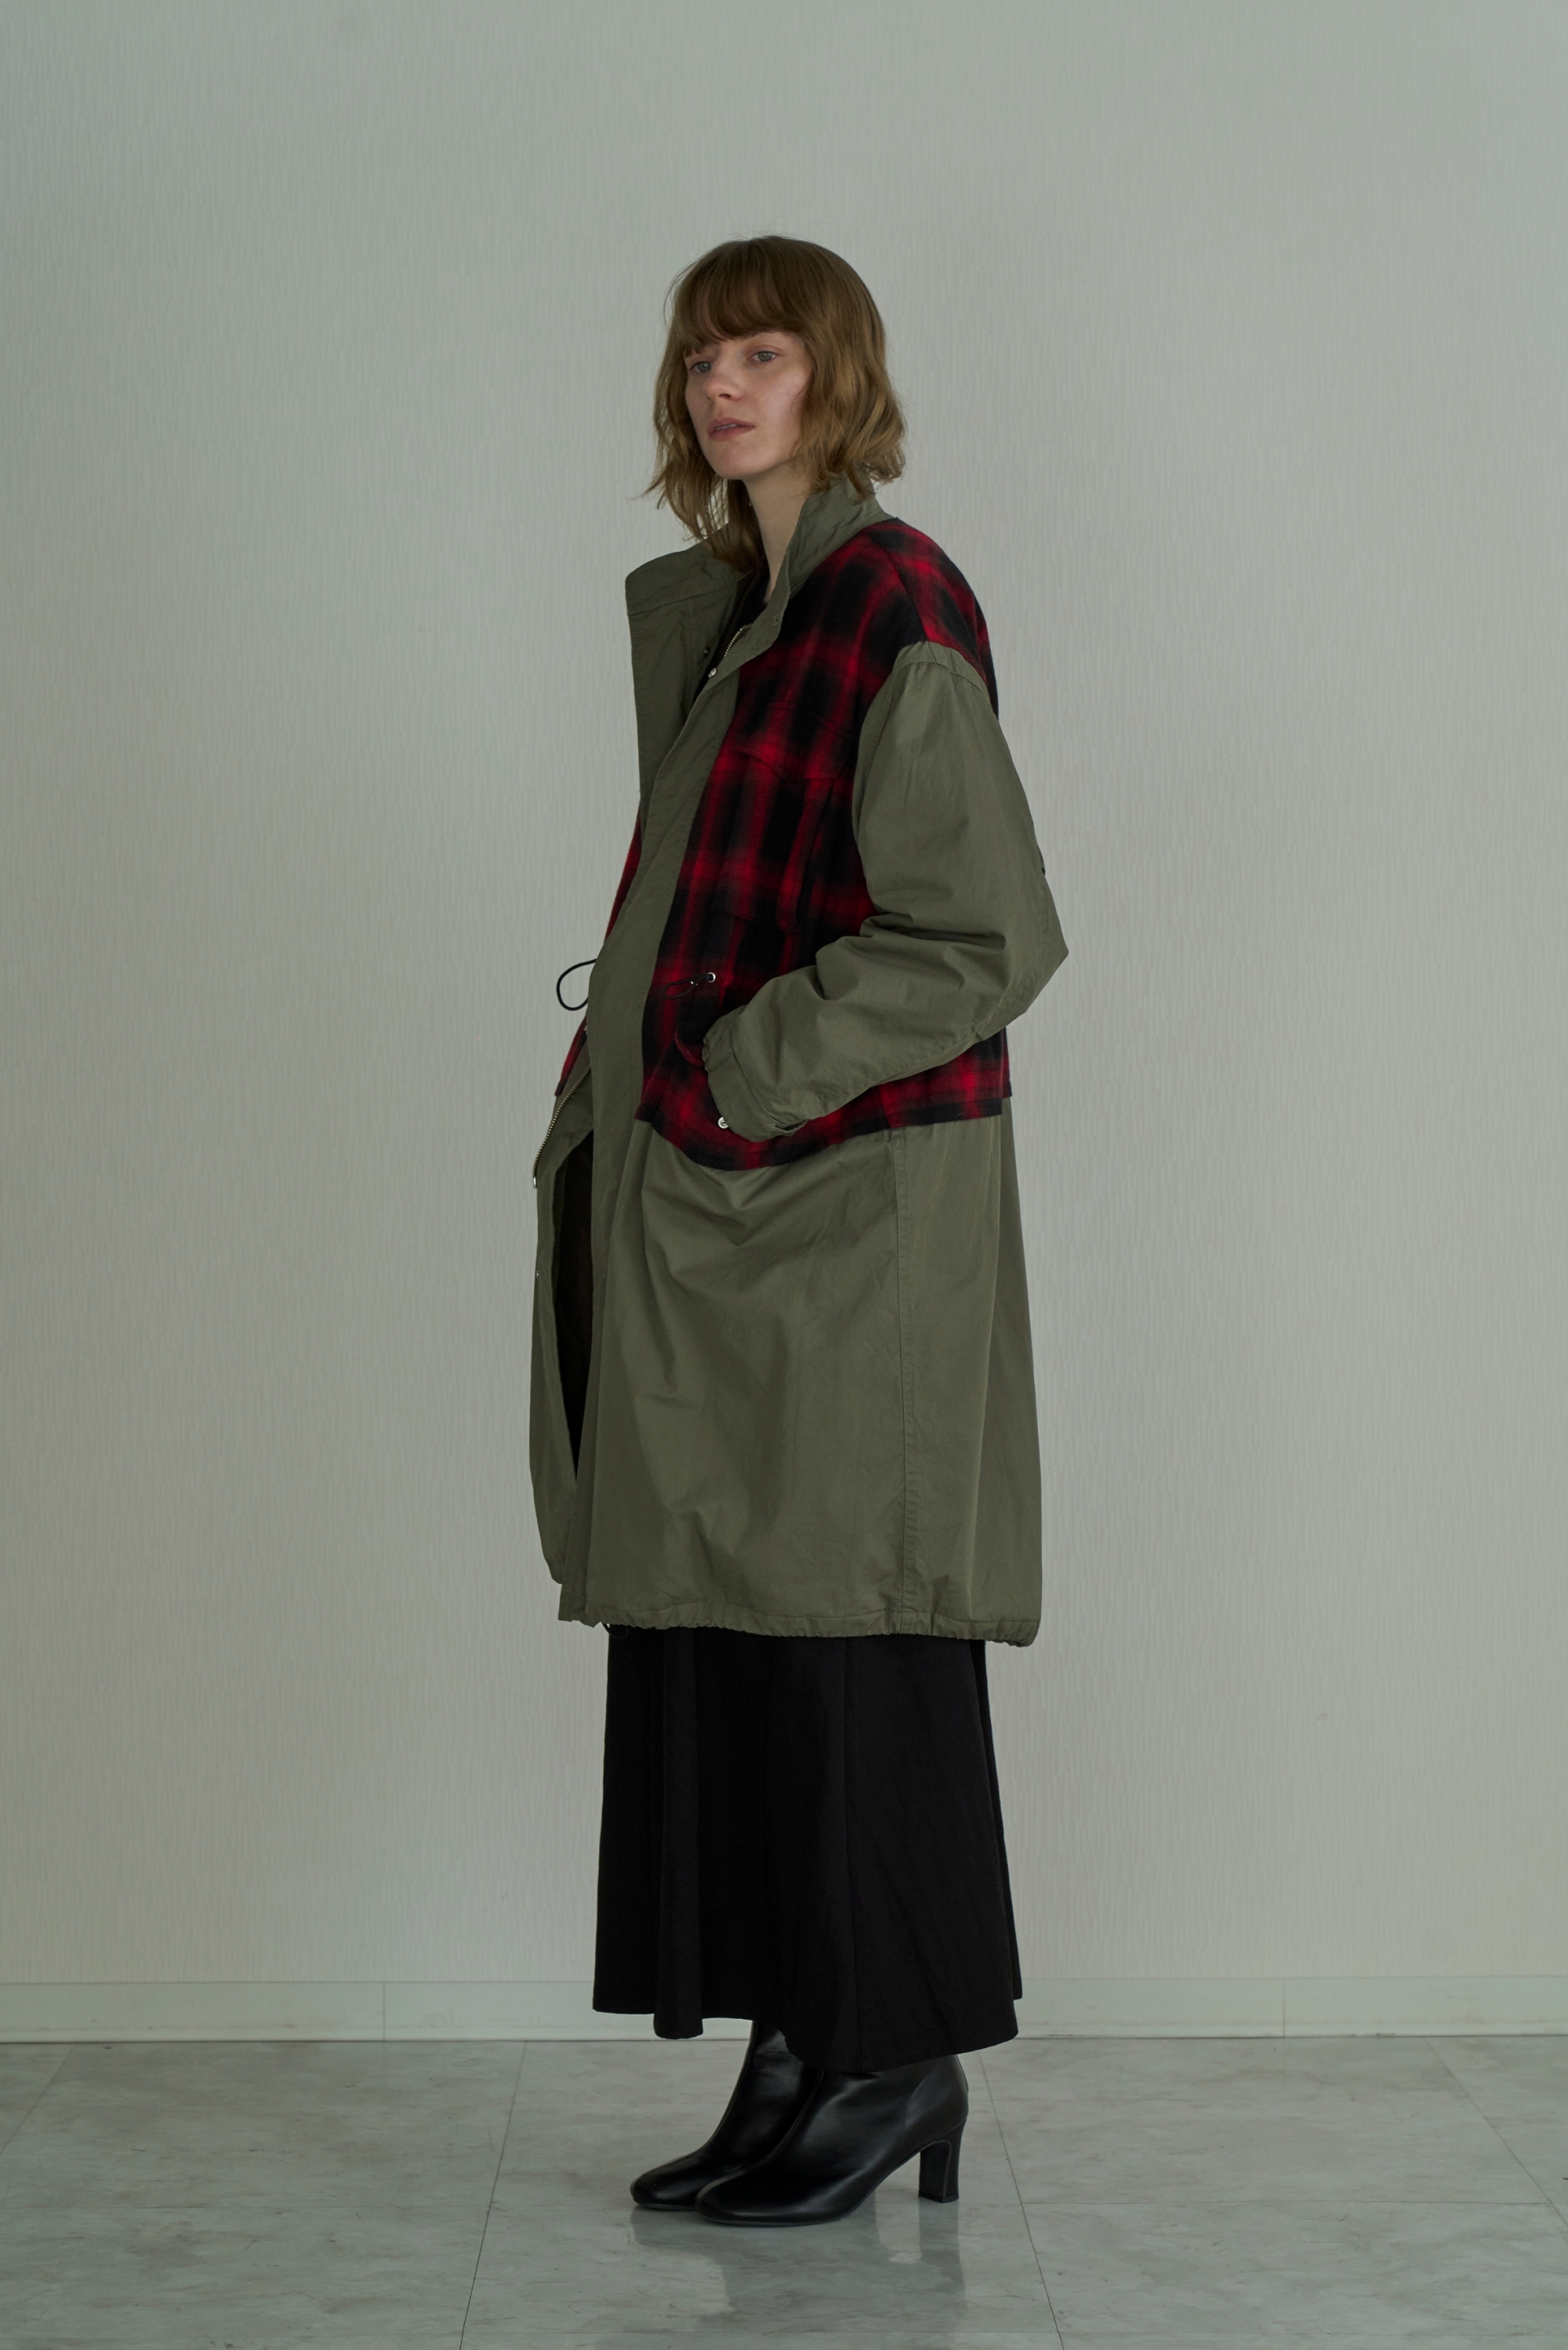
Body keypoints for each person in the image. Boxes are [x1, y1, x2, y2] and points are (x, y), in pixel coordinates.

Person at [530, 234, 1066, 2227]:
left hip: (846, 1220)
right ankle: (797, 2043)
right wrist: (637, 1089)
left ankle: (894, 2056)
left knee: (848, 1637)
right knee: (734, 1641)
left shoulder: (887, 600)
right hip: (735, 1210)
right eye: (700, 357)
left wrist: (731, 1072)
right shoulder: (749, 611)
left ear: (837, 376)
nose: (721, 386)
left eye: (761, 352)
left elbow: (979, 935)